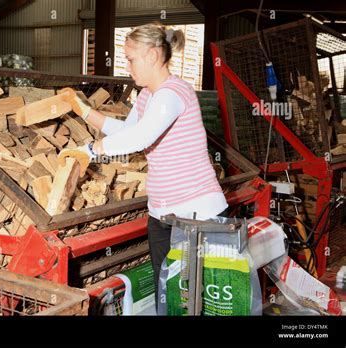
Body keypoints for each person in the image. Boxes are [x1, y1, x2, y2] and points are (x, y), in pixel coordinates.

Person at [63, 23, 228, 312]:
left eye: (130, 59)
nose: (127, 66)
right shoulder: (148, 96)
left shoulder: (173, 93)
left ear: (152, 56)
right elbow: (125, 129)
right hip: (163, 215)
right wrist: (84, 111)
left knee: (198, 302)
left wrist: (92, 150)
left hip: (198, 216)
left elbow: (140, 138)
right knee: (168, 294)